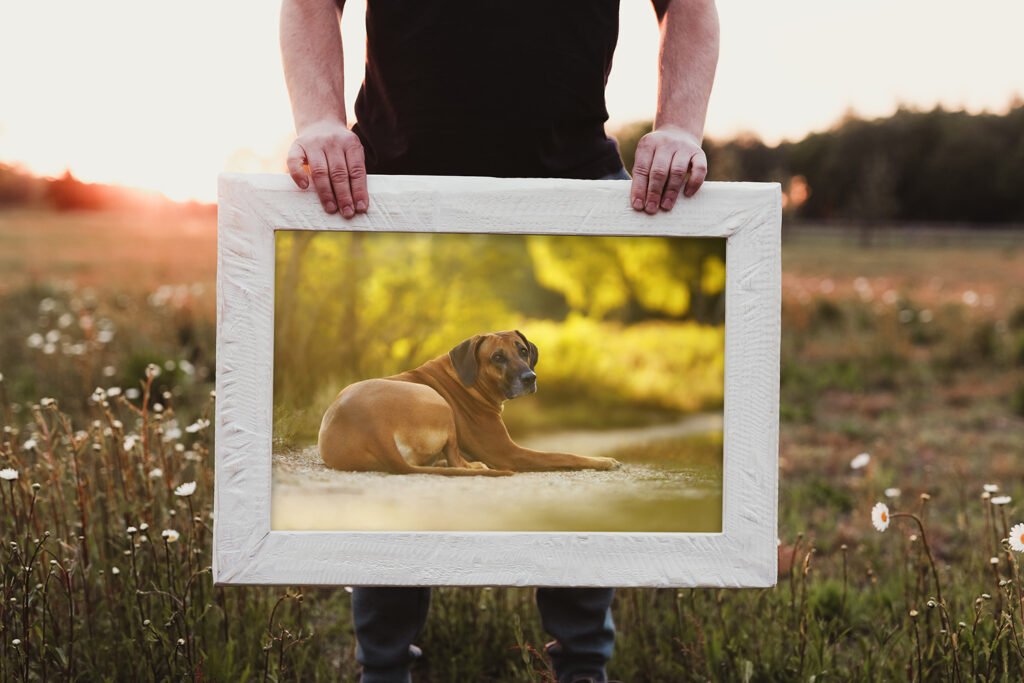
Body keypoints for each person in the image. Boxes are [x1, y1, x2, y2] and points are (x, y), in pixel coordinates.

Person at [280, 1, 719, 680]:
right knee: (393, 486)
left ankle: (581, 666)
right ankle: (385, 666)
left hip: (575, 178)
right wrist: (318, 120)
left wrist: (679, 129)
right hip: (387, 183)